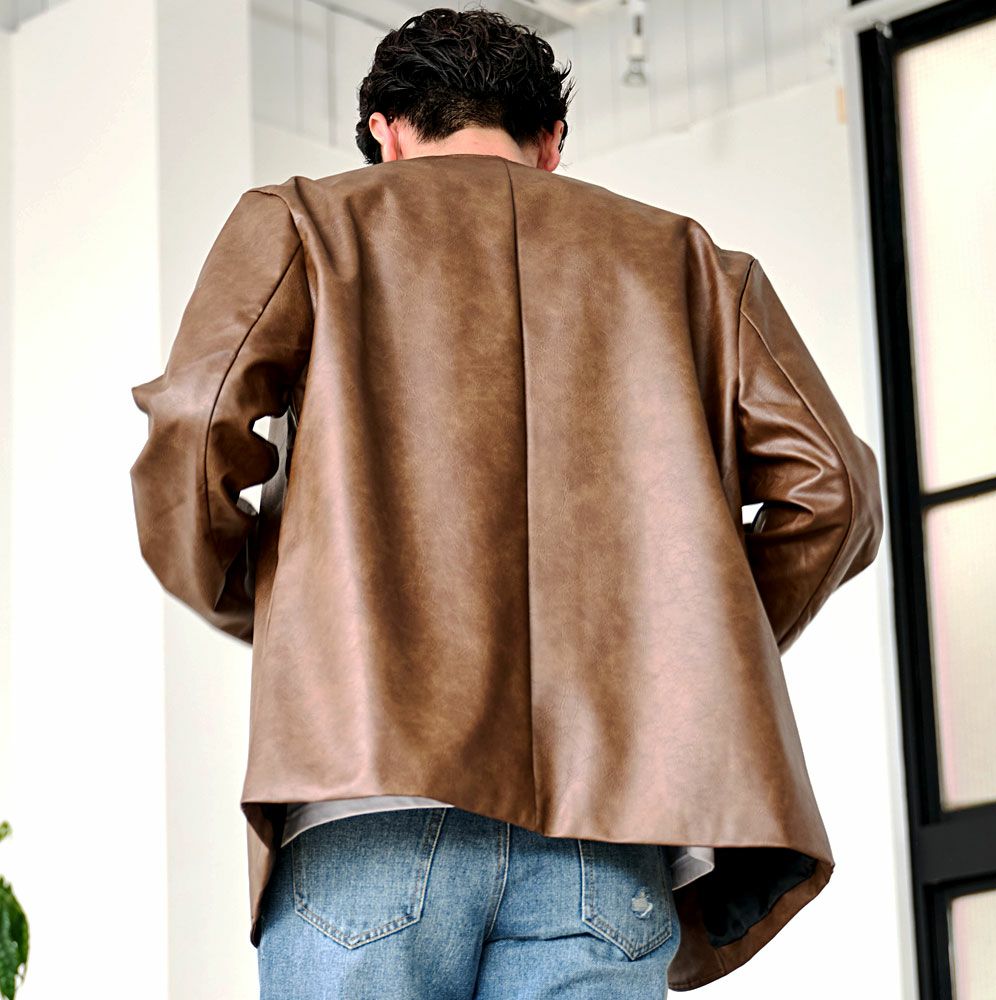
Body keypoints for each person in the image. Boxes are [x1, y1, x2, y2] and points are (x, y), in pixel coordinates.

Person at [128, 7, 884, 997]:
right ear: (552, 143)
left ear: (387, 133)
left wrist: (276, 608)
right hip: (606, 835)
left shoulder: (307, 222)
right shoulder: (687, 261)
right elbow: (834, 486)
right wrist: (674, 662)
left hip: (368, 806)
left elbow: (194, 435)